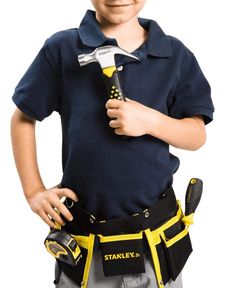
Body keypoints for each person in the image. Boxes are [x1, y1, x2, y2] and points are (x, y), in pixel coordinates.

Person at [10, 0, 214, 287]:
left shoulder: (175, 55)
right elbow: (22, 118)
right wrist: (33, 191)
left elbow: (196, 136)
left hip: (155, 247)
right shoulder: (61, 49)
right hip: (86, 246)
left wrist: (151, 121)